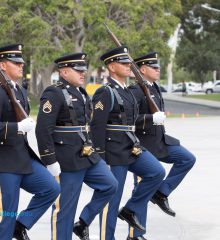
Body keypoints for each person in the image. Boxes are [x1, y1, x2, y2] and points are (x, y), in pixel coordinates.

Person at [0, 44, 60, 240]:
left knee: (51, 188)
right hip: (2, 161)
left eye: (21, 62)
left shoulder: (20, 91)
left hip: (22, 158)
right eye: (16, 63)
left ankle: (21, 225)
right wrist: (17, 128)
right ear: (3, 65)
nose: (21, 66)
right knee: (4, 214)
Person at [36, 52, 118, 240]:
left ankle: (83, 222)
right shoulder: (53, 92)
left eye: (84, 70)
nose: (83, 73)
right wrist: (49, 159)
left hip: (87, 155)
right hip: (66, 159)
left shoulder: (81, 92)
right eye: (78, 70)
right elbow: (42, 129)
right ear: (64, 72)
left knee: (110, 185)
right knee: (65, 209)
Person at [90, 46, 166, 240]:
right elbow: (96, 126)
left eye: (128, 63)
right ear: (112, 67)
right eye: (124, 63)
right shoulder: (105, 92)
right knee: (111, 200)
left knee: (156, 172)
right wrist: (100, 157)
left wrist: (151, 119)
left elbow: (133, 121)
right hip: (113, 152)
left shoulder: (129, 92)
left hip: (130, 147)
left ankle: (130, 209)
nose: (128, 66)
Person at [127, 52, 196, 239]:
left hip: (161, 142)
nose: (158, 69)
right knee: (141, 189)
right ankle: (136, 234)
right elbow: (130, 120)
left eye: (158, 67)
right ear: (142, 69)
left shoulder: (154, 87)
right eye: (154, 67)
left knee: (187, 158)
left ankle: (161, 193)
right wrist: (151, 119)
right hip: (144, 146)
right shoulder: (134, 91)